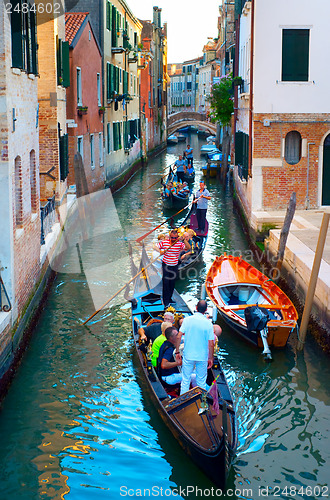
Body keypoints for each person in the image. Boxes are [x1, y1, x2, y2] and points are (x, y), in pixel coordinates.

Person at [177, 300, 214, 394]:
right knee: (201, 382)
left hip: (188, 355)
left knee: (185, 380)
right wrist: (211, 358)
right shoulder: (208, 324)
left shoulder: (187, 320)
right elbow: (211, 343)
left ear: (196, 308)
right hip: (202, 357)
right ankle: (202, 403)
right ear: (205, 310)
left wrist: (177, 351)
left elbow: (178, 336)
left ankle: (183, 402)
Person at [157, 229, 190, 307]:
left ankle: (170, 298)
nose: (173, 239)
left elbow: (188, 247)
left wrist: (184, 240)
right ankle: (165, 302)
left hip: (174, 266)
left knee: (172, 283)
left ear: (177, 237)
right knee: (166, 283)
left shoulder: (179, 244)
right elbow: (155, 246)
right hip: (166, 265)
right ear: (170, 237)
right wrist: (160, 252)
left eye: (175, 238)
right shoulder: (165, 242)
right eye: (172, 238)